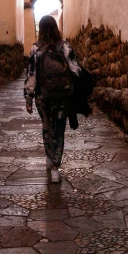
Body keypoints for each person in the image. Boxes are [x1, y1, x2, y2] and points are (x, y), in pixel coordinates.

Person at [24, 15, 81, 183]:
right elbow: (76, 71)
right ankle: (56, 167)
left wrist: (29, 98)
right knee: (59, 129)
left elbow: (31, 75)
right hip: (63, 96)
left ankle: (49, 157)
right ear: (56, 28)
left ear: (40, 30)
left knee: (47, 127)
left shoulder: (36, 49)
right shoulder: (65, 47)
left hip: (43, 96)